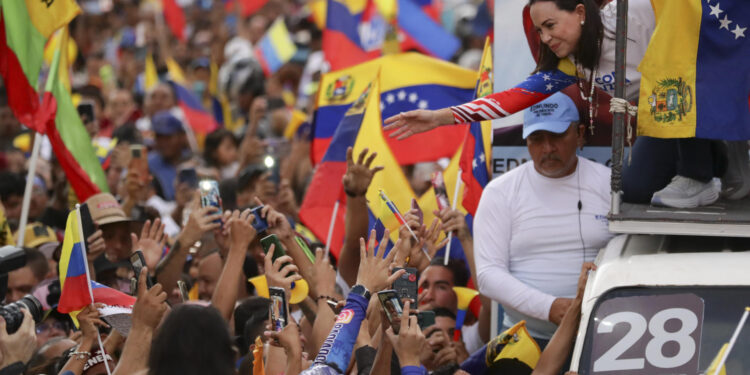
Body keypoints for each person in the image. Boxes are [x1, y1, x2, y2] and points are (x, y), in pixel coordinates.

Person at [385, 0, 731, 209]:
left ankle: (706, 169)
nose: (546, 38)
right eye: (540, 31)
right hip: (667, 119)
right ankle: (719, 166)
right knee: (635, 189)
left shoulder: (634, 11)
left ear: (580, 12)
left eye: (551, 25)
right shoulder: (568, 65)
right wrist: (438, 117)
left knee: (678, 85)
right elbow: (510, 100)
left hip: (708, 81)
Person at [473, 92, 613, 344]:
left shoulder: (608, 185)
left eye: (557, 136)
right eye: (537, 139)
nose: (547, 148)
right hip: (525, 341)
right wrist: (550, 307)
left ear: (580, 134)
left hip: (600, 337)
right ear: (526, 141)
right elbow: (488, 275)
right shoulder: (500, 192)